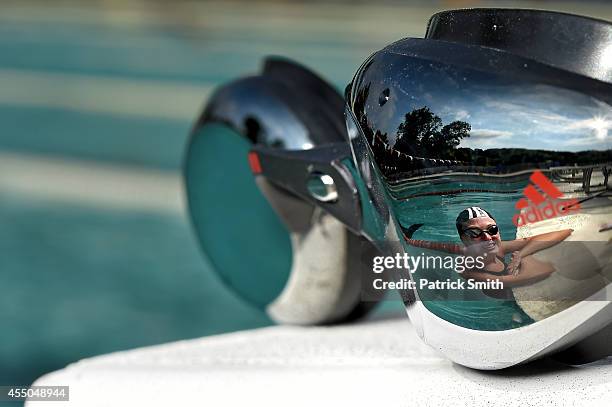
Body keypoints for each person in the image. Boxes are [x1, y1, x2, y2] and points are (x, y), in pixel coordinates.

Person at [402, 206, 573, 291]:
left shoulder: (499, 247)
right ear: (464, 239)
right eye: (475, 233)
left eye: (492, 230)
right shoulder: (466, 268)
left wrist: (523, 253)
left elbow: (563, 232)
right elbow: (525, 278)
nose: (487, 237)